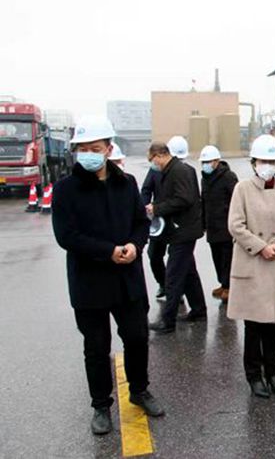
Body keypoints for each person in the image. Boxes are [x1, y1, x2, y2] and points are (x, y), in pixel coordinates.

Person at [52, 116, 164, 436]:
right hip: (89, 282)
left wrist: (134, 245)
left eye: (95, 148)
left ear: (108, 149)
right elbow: (66, 236)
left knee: (137, 338)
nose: (88, 154)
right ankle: (101, 405)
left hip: (127, 280)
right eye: (82, 149)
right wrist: (108, 250)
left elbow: (140, 223)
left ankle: (139, 390)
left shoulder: (126, 183)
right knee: (96, 346)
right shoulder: (65, 189)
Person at [227, 135, 275, 398]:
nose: (267, 166)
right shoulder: (242, 189)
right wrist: (261, 247)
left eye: (272, 161)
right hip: (253, 263)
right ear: (254, 162)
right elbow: (236, 225)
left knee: (273, 323)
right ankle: (254, 376)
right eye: (263, 161)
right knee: (254, 325)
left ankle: (273, 372)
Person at [146, 141, 207, 333]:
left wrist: (157, 208)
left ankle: (168, 321)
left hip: (183, 231)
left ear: (160, 155)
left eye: (152, 159)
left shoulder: (178, 171)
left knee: (173, 275)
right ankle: (198, 310)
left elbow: (184, 199)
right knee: (188, 271)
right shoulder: (174, 170)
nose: (152, 164)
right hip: (181, 229)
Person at [199, 145, 238, 303]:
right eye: (203, 162)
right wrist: (203, 223)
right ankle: (223, 283)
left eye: (208, 162)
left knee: (227, 258)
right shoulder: (205, 179)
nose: (205, 165)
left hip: (226, 226)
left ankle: (229, 286)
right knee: (216, 257)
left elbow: (237, 200)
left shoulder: (229, 177)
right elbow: (203, 202)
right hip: (212, 226)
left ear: (217, 161)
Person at [141, 164, 167, 299]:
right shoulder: (155, 169)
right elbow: (146, 189)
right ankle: (163, 283)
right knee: (154, 254)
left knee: (180, 259)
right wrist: (145, 207)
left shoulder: (183, 170)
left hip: (178, 220)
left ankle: (177, 289)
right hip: (159, 220)